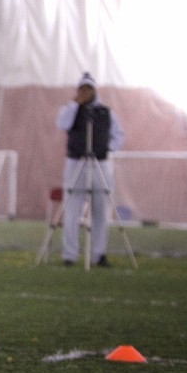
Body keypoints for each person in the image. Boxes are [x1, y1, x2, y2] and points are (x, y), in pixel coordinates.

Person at [56, 72, 125, 267]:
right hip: (75, 162)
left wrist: (106, 148)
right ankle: (69, 255)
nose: (86, 93)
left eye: (89, 89)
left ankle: (98, 254)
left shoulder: (106, 112)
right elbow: (62, 123)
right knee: (72, 209)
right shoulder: (70, 110)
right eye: (82, 89)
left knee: (101, 210)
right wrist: (75, 104)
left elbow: (118, 136)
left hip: (99, 164)